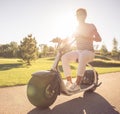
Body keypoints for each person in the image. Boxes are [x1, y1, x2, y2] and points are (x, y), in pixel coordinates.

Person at [61, 8, 102, 92]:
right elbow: (69, 38)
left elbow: (99, 39)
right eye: (77, 15)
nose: (78, 16)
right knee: (64, 57)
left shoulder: (91, 26)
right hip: (78, 52)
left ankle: (77, 84)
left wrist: (85, 37)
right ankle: (69, 81)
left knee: (82, 55)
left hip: (89, 52)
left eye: (81, 14)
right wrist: (59, 40)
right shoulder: (76, 28)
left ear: (85, 15)